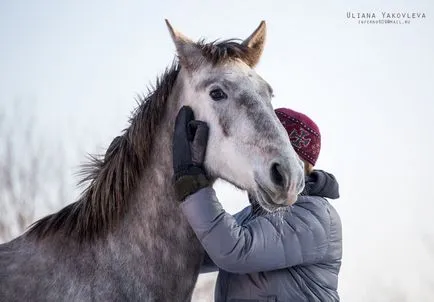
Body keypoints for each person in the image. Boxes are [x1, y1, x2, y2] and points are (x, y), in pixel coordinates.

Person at [172, 106, 342, 301]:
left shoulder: (315, 216)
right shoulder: (250, 216)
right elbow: (194, 254)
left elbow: (235, 250)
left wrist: (192, 184)